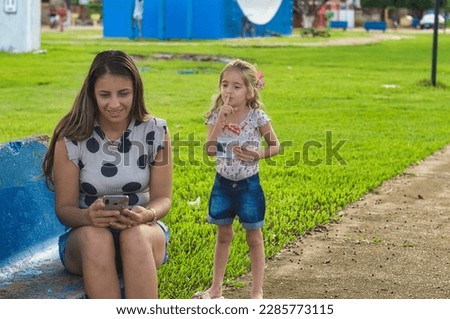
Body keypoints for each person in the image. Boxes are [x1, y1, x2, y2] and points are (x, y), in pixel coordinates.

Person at [42, 50, 172, 299]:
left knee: (134, 237)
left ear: (136, 91)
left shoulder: (156, 131)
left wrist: (147, 214)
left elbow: (163, 198)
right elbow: (65, 209)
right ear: (92, 93)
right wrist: (89, 216)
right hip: (86, 240)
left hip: (142, 233)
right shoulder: (71, 136)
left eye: (123, 93)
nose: (114, 104)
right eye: (105, 95)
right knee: (96, 238)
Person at [192, 59, 280, 299]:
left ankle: (256, 293)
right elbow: (210, 150)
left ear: (250, 91)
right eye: (224, 85)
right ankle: (216, 289)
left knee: (254, 237)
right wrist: (220, 119)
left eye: (236, 86)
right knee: (223, 235)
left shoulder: (257, 117)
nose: (228, 91)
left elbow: (276, 146)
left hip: (248, 186)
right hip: (222, 184)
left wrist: (257, 154)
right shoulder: (215, 116)